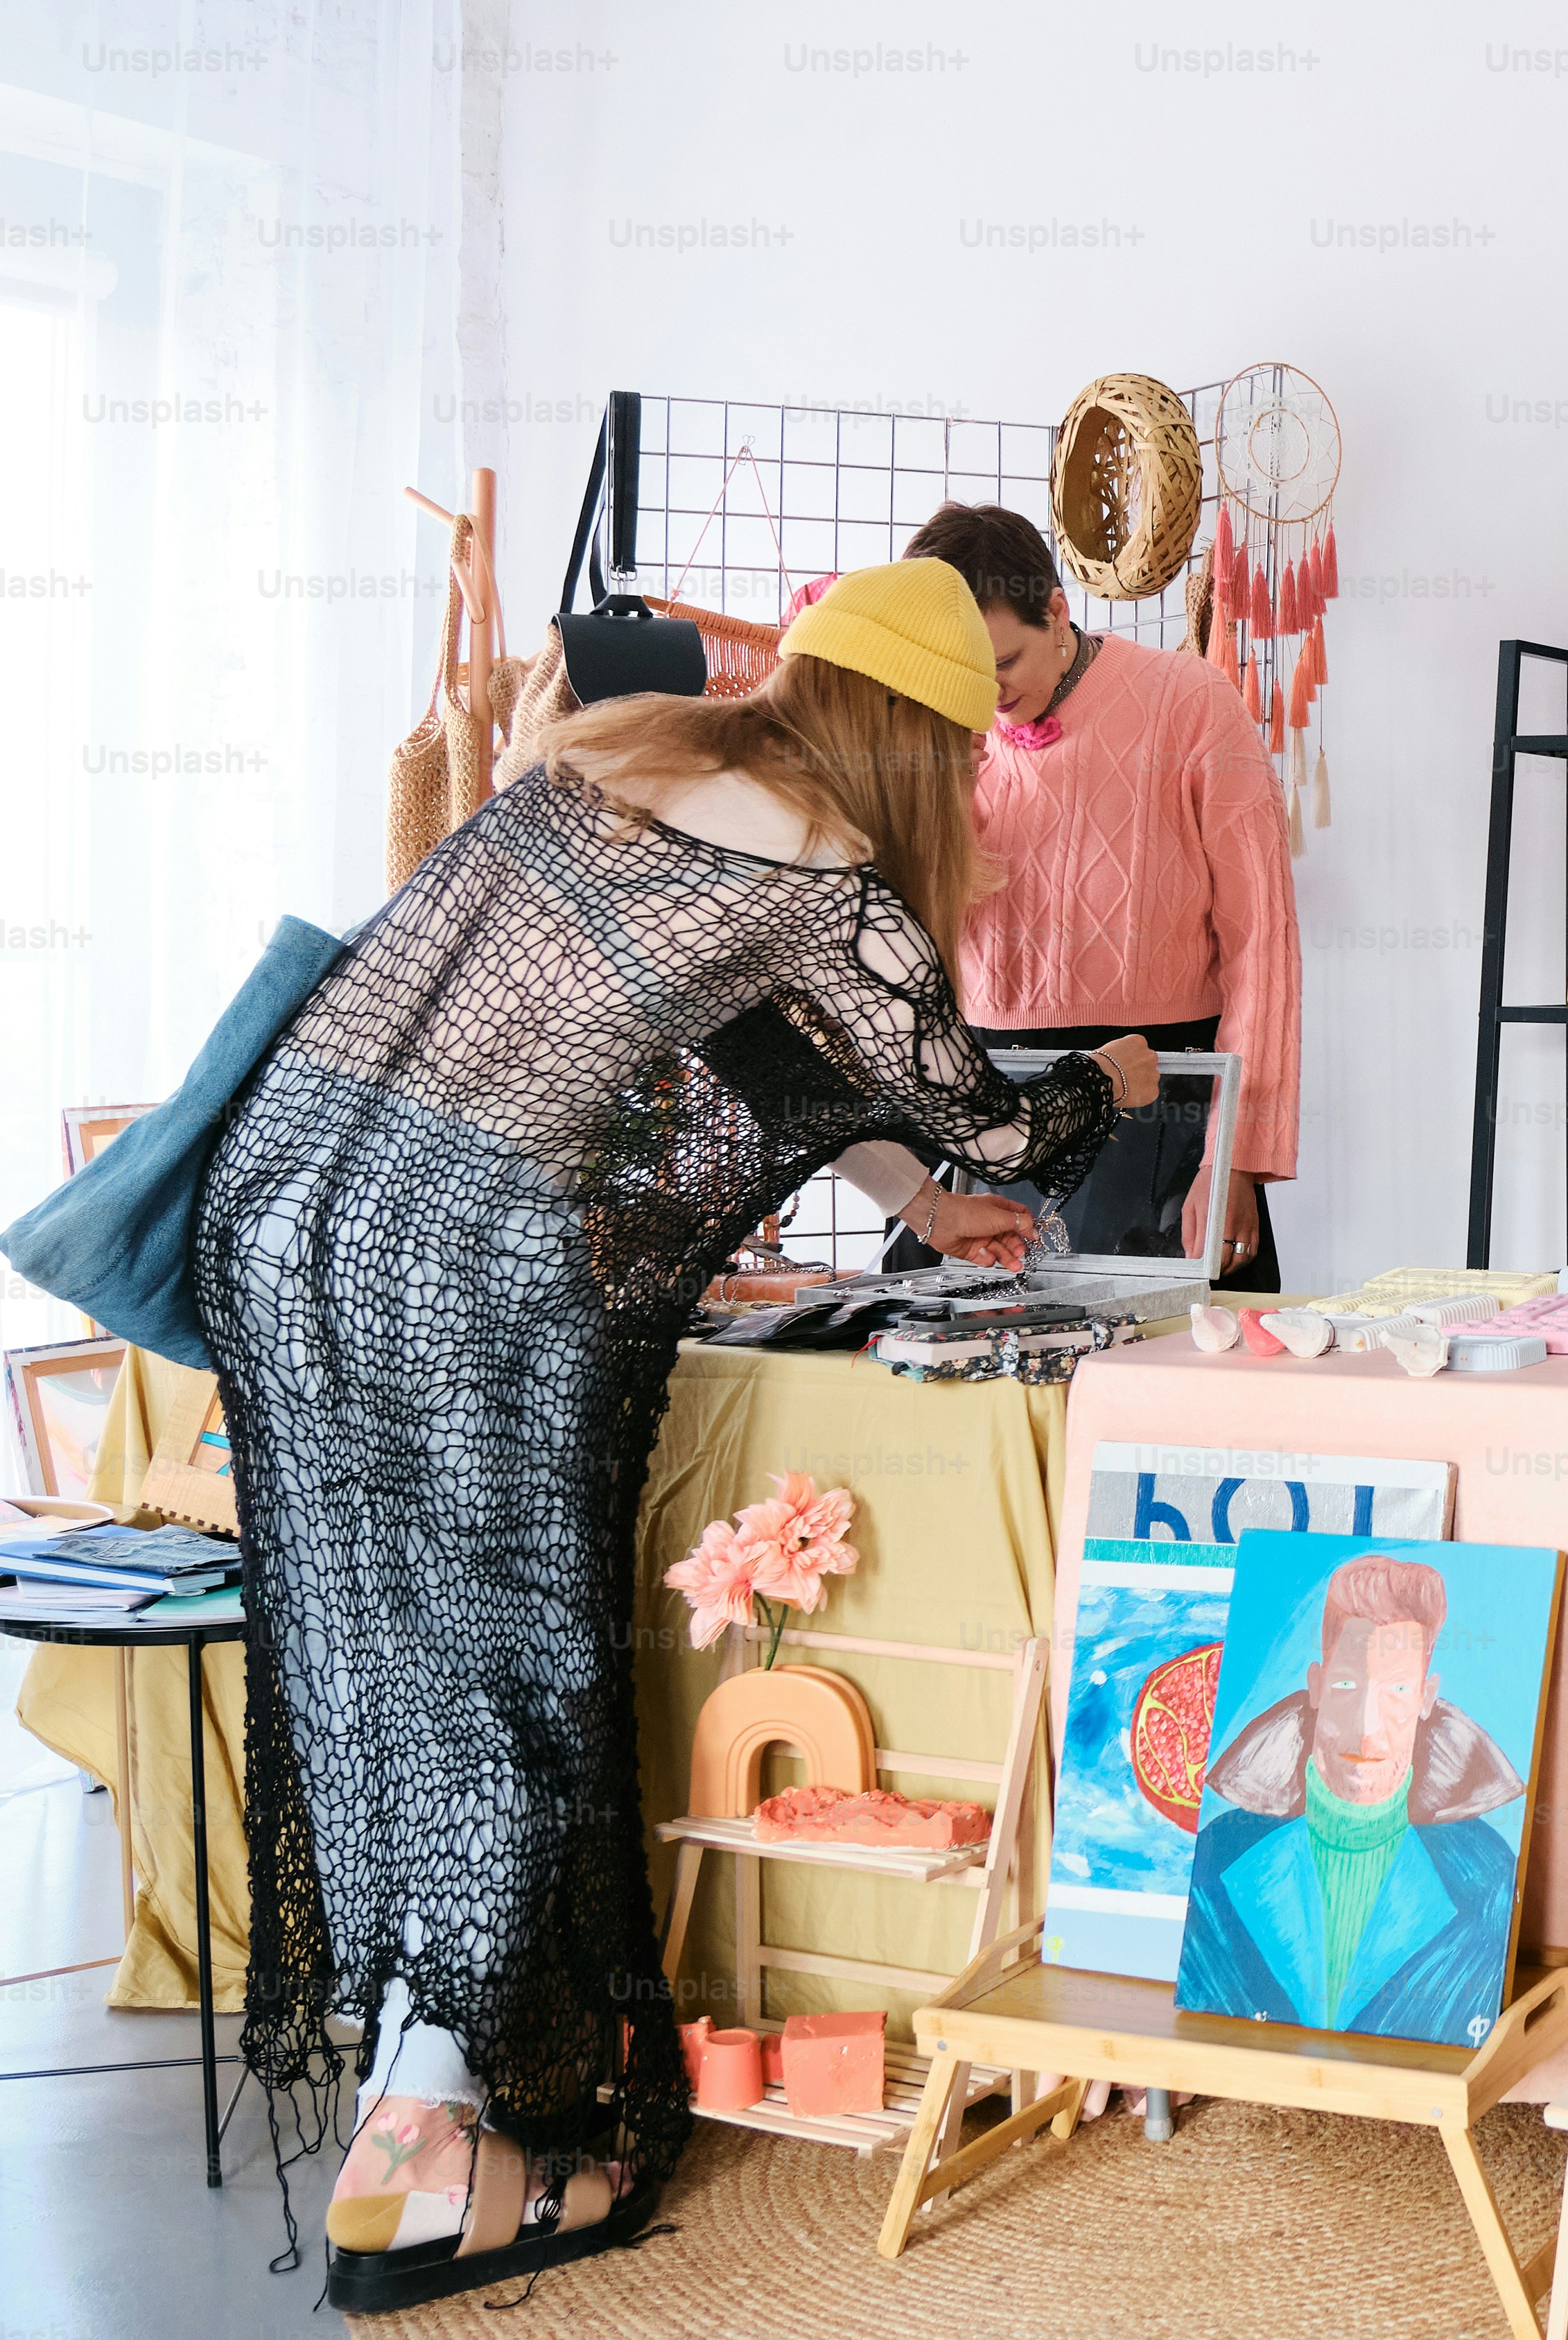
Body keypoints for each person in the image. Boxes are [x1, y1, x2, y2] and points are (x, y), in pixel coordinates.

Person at [198, 559, 1158, 2298]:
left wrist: (912, 1210)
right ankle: (438, 2166)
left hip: (286, 1216)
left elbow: (771, 1070)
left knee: (391, 1676)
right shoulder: (846, 885)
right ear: (919, 739)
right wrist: (1119, 1077)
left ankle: (411, 2113)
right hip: (468, 1268)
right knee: (519, 1691)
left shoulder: (614, 765)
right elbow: (1008, 1131)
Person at [887, 501, 1301, 1287]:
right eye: (960, 673)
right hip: (981, 1103)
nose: (984, 694)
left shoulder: (1192, 700)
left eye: (1002, 664)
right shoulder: (945, 735)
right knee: (955, 1386)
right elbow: (902, 946)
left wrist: (1238, 1158)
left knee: (1162, 1386)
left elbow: (1262, 945)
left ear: (1056, 610)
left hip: (1162, 1099)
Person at [1176, 1554, 1529, 2040]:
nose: (1367, 1728)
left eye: (1397, 1690)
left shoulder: (1488, 1874)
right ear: (1316, 1685)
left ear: (1426, 1698)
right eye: (1347, 1684)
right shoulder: (1220, 1858)